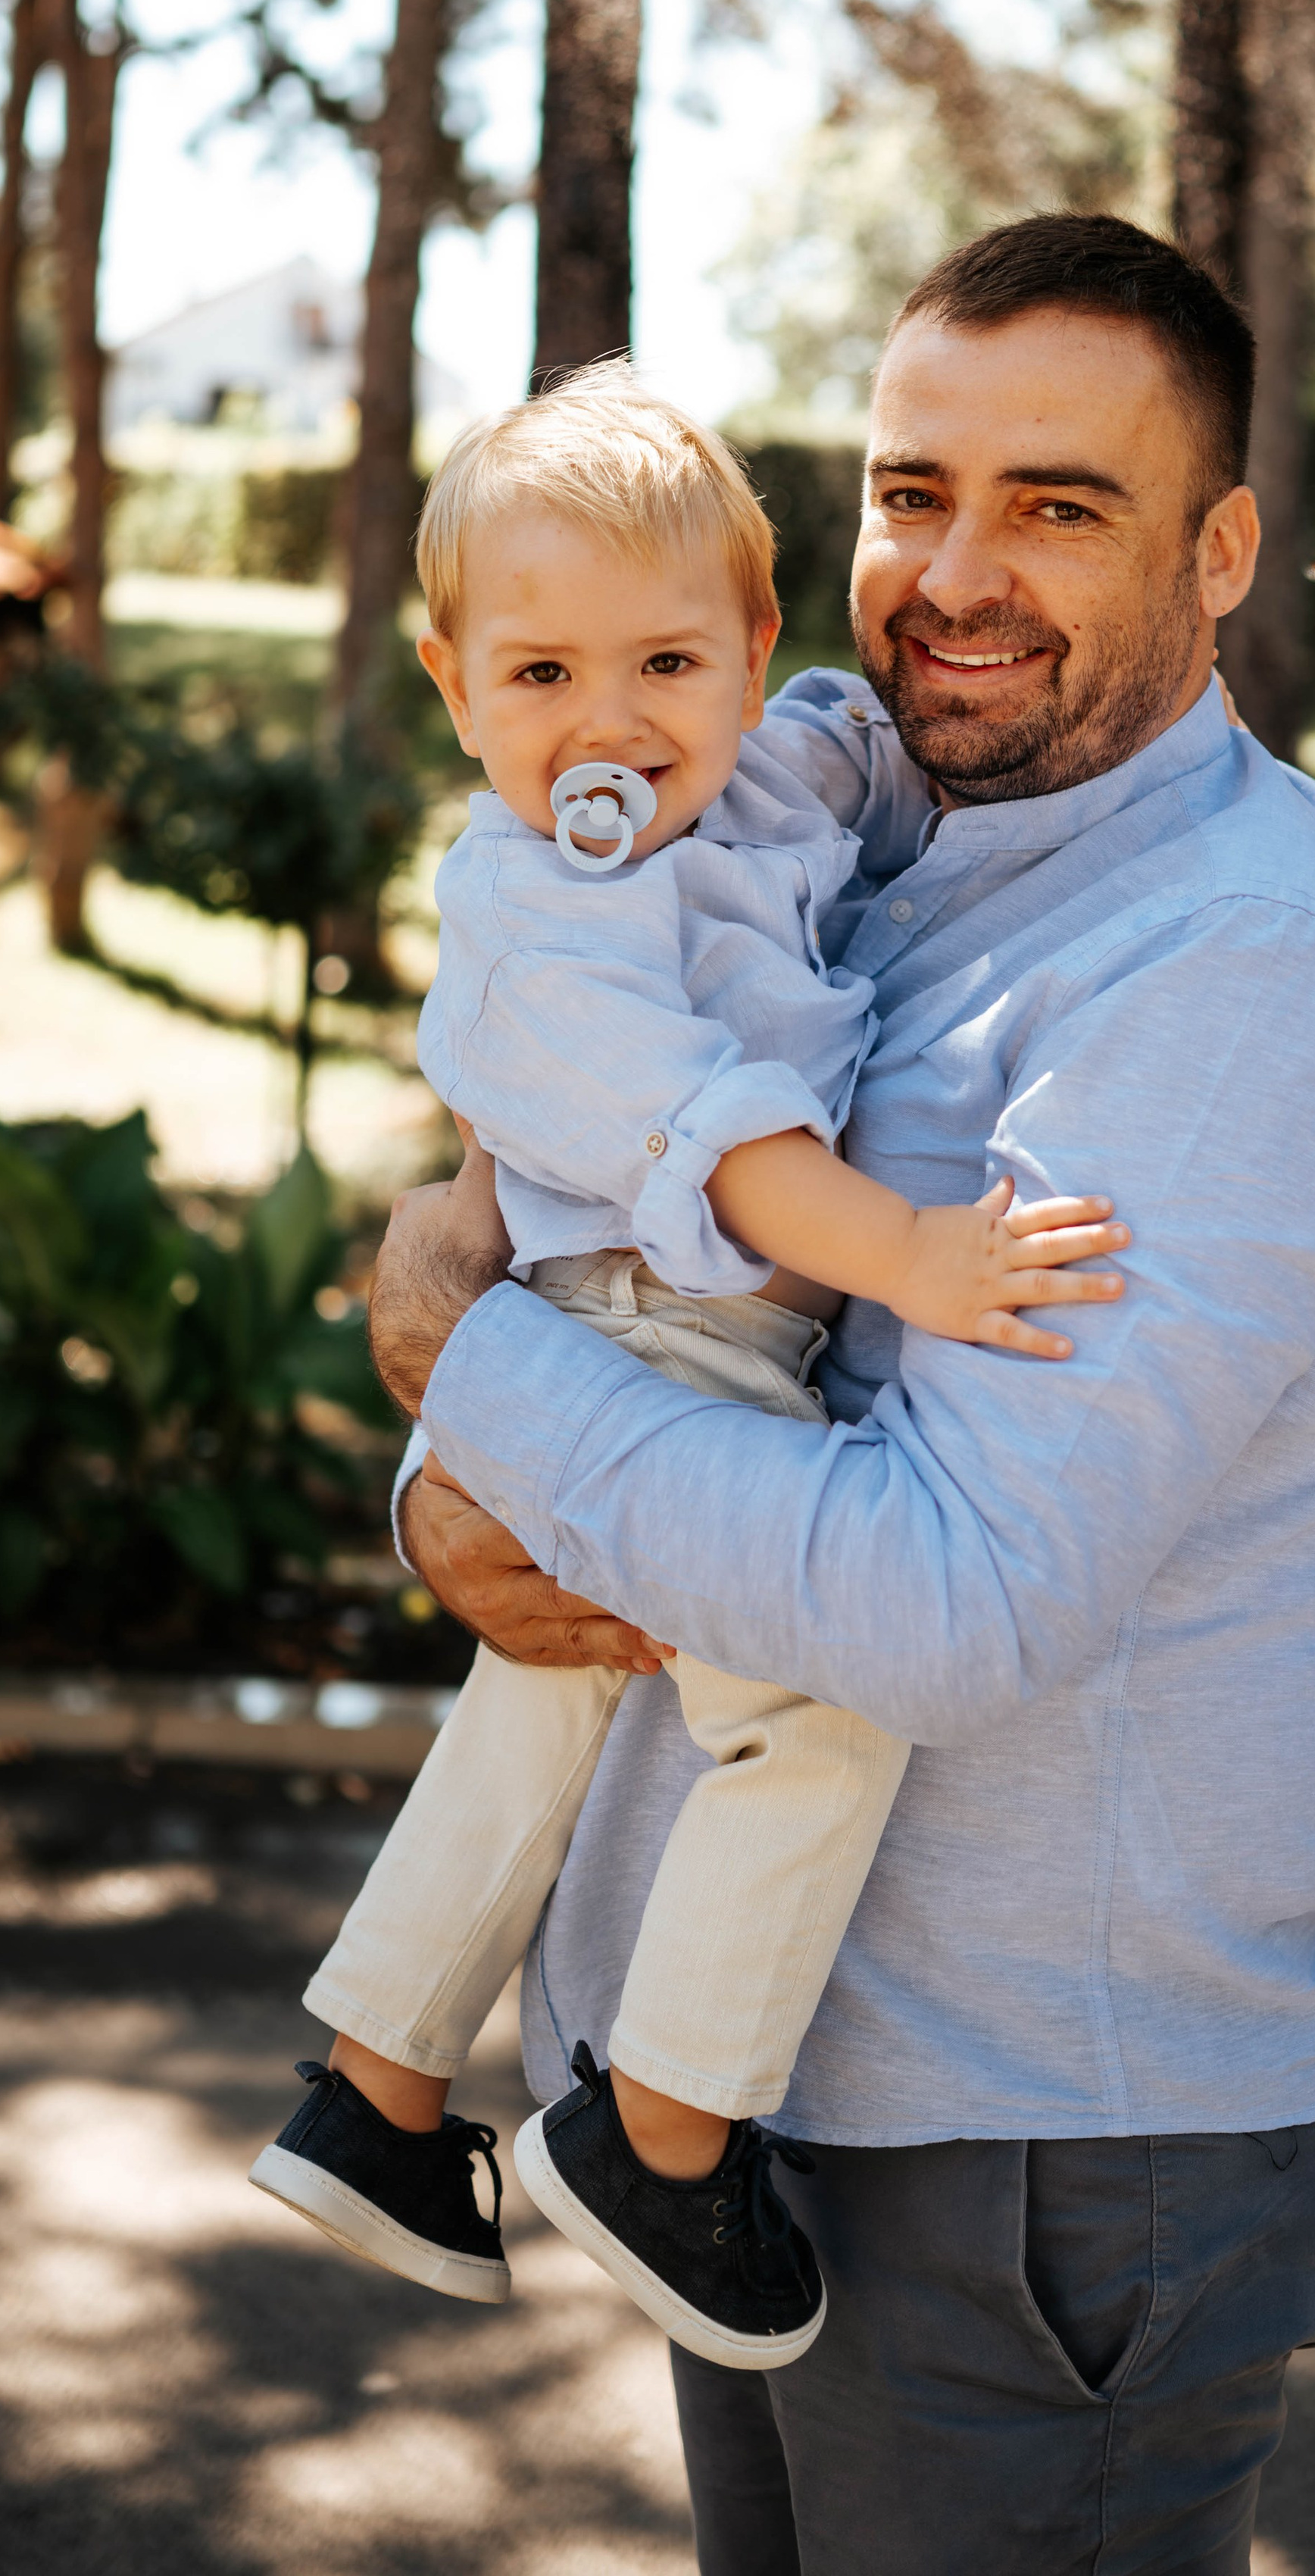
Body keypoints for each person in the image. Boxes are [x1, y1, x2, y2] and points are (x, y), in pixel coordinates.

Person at [369, 214, 1315, 2574]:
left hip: (1040, 2163)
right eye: (910, 492)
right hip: (767, 2119)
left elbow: (951, 1610)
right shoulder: (859, 837)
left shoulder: (1244, 963)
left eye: (1057, 507)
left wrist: (460, 1362)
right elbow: (632, 1267)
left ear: (1222, 551)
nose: (955, 575)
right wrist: (451, 1477)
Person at [250, 367, 1122, 2365]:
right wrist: (908, 1253)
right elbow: (713, 1130)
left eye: (668, 660)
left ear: (753, 657)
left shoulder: (767, 779)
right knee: (819, 1715)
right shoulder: (533, 910)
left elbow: (854, 746)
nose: (609, 723)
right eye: (540, 672)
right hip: (657, 1336)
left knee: (542, 1700)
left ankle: (377, 2096)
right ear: (455, 690)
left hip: (669, 1342)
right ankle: (664, 2134)